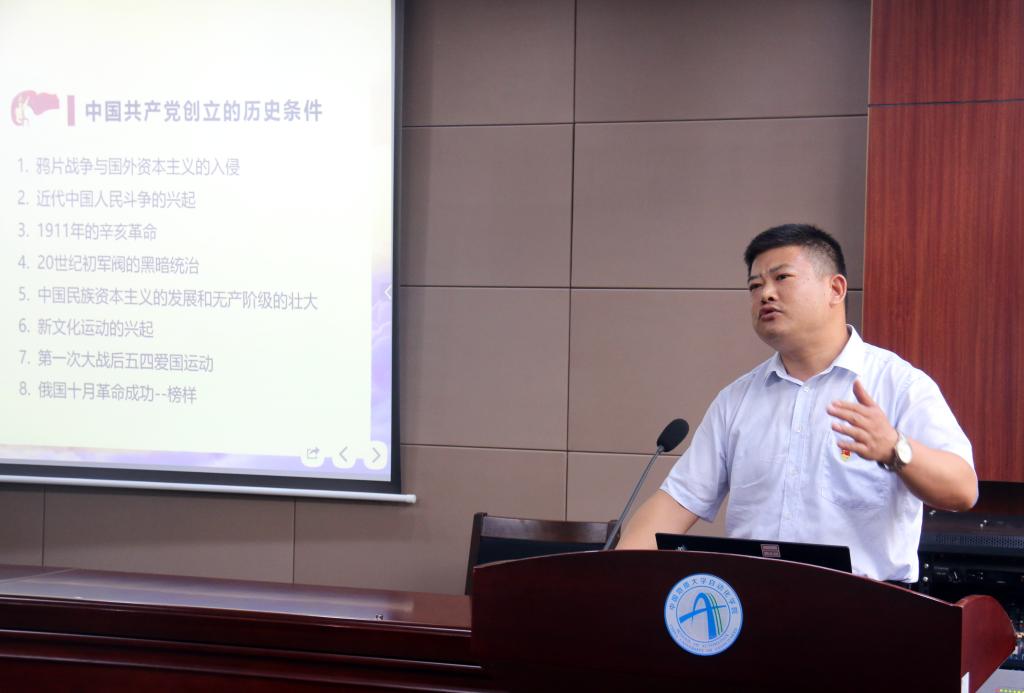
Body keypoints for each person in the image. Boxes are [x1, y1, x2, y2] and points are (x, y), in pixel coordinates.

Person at [617, 223, 977, 583]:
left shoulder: (898, 385)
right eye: (755, 286)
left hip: (866, 605)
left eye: (782, 278)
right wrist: (612, 578)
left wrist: (895, 449)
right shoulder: (736, 400)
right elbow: (676, 502)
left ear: (835, 289)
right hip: (753, 600)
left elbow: (962, 490)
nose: (765, 294)